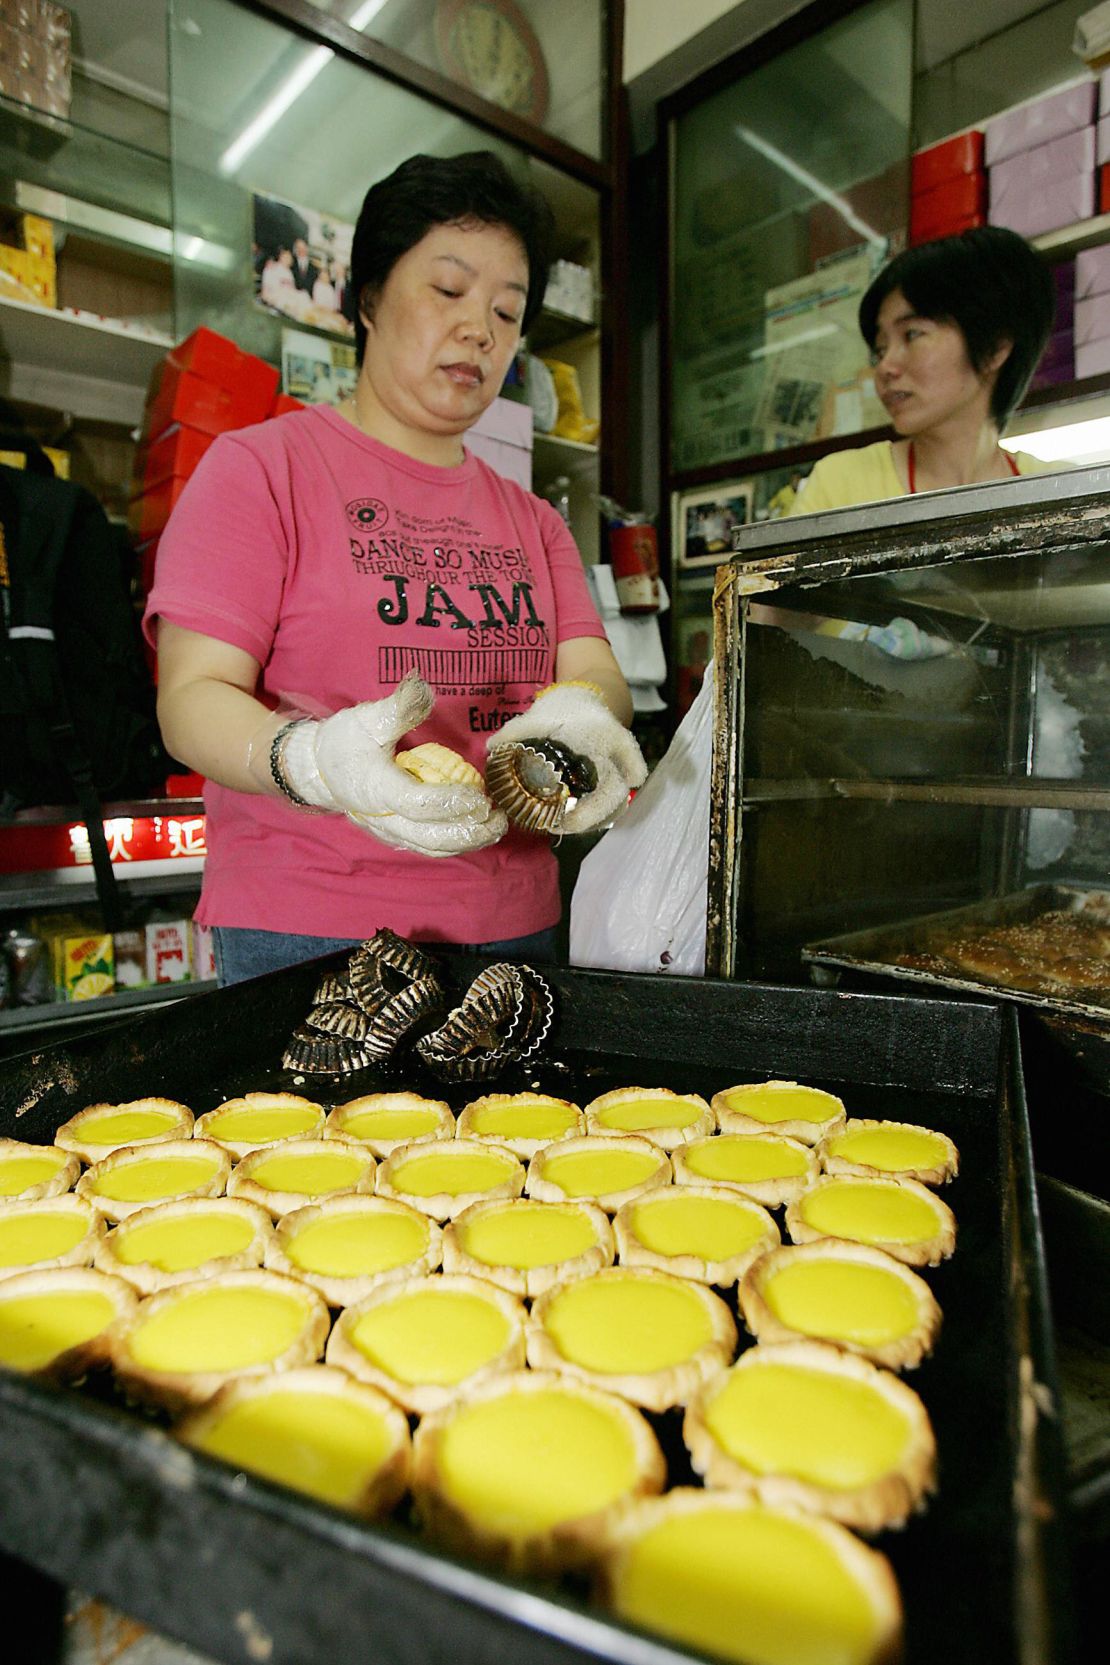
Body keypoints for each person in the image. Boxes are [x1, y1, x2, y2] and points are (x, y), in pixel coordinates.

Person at [145, 151, 644, 986]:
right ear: (369, 297)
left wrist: (584, 723)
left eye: (507, 311)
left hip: (515, 929)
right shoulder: (261, 470)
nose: (479, 330)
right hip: (310, 933)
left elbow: (592, 670)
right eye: (449, 291)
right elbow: (191, 699)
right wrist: (311, 761)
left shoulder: (535, 521)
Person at [794, 225, 1056, 515]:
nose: (885, 367)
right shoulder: (840, 484)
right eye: (880, 349)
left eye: (912, 335)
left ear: (995, 348)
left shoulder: (1057, 491)